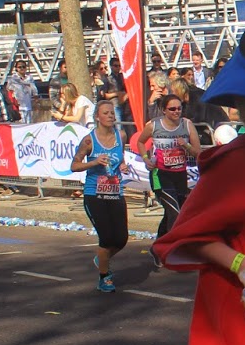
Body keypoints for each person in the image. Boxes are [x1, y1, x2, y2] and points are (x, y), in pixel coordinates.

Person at [71, 100, 129, 292]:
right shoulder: (89, 140)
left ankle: (101, 259)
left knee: (121, 239)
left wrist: (122, 166)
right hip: (94, 194)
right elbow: (74, 165)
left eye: (112, 113)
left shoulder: (121, 136)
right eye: (106, 113)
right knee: (106, 238)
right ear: (97, 117)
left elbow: (119, 160)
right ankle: (104, 278)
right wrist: (94, 162)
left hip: (115, 192)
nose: (111, 116)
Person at [137, 93, 202, 246]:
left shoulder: (187, 125)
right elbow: (140, 142)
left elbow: (198, 152)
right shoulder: (154, 125)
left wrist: (185, 145)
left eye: (179, 108)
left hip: (180, 176)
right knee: (175, 212)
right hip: (160, 175)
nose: (176, 112)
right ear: (164, 110)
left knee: (172, 213)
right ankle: (174, 249)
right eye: (172, 109)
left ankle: (158, 246)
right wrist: (146, 159)